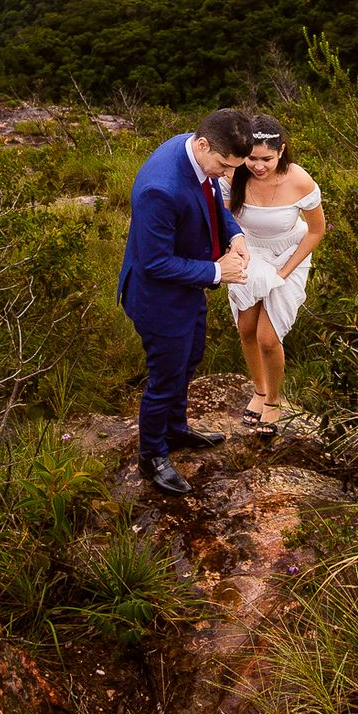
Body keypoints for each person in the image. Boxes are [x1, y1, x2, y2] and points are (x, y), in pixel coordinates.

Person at [118, 108, 255, 495]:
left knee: (191, 356)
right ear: (203, 145)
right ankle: (153, 456)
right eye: (225, 166)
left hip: (186, 288)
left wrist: (235, 235)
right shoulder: (159, 189)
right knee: (164, 376)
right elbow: (155, 261)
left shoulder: (193, 149)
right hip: (158, 297)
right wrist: (218, 273)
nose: (228, 176)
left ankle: (176, 429)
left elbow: (212, 201)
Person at [224, 113, 326, 438]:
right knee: (246, 327)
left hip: (288, 254)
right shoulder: (234, 175)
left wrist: (284, 270)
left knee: (268, 337)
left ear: (281, 151)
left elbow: (316, 231)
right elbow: (224, 220)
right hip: (249, 250)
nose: (258, 166)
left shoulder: (300, 180)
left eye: (266, 158)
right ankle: (257, 388)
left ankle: (273, 399)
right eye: (252, 158)